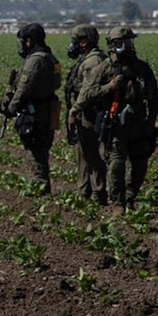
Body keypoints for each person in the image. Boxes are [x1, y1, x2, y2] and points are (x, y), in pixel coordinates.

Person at [89, 26, 158, 210]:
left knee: (140, 164)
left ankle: (130, 196)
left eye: (129, 42)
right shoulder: (103, 69)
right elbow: (90, 94)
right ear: (112, 45)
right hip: (115, 124)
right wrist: (110, 87)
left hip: (138, 124)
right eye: (121, 43)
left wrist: (151, 121)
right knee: (116, 165)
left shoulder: (142, 69)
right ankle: (118, 202)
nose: (126, 46)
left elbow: (154, 97)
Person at [0, 23, 60, 193]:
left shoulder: (35, 61)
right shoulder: (51, 58)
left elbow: (23, 90)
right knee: (42, 149)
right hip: (48, 109)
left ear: (29, 41)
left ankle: (40, 186)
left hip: (36, 113)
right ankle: (42, 185)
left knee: (36, 150)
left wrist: (9, 110)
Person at [63, 24, 109, 202]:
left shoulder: (93, 62)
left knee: (93, 155)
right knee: (83, 154)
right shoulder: (88, 59)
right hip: (85, 114)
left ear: (84, 42)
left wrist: (76, 111)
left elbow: (89, 91)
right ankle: (84, 191)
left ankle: (99, 192)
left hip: (91, 114)